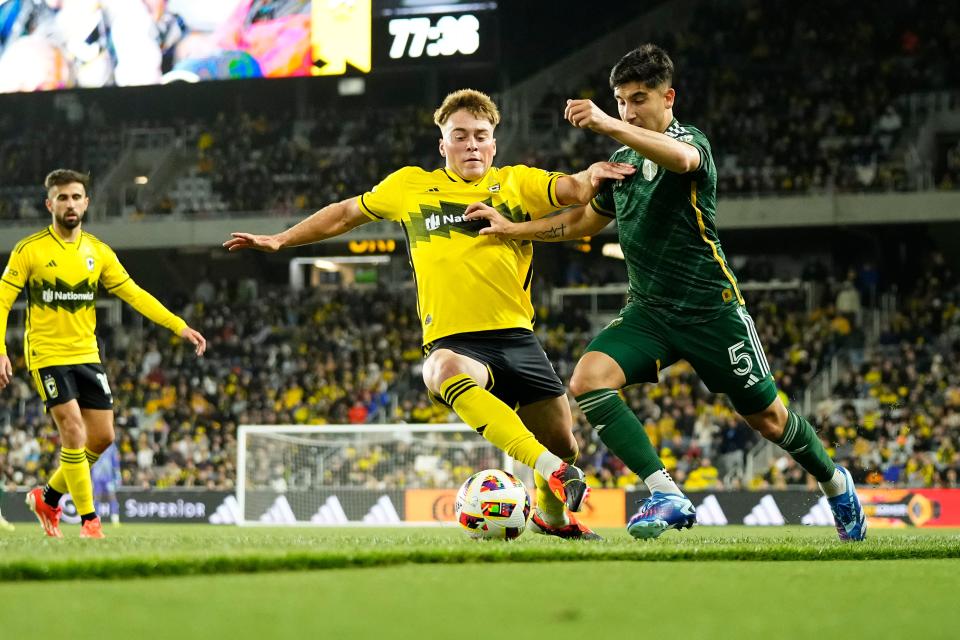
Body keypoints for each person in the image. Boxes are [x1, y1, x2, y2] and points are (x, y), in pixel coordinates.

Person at [463, 45, 867, 542]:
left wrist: (609, 124)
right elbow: (581, 221)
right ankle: (666, 493)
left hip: (710, 310)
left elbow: (681, 159)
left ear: (667, 97)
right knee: (589, 379)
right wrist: (511, 230)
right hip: (649, 313)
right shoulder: (623, 160)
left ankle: (835, 483)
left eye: (639, 100)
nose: (629, 111)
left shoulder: (689, 142)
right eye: (620, 101)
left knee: (767, 418)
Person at [225, 89, 635, 539]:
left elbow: (575, 188)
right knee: (442, 368)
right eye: (460, 136)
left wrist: (593, 173)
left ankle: (551, 516)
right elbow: (344, 214)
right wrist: (283, 239)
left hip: (517, 337)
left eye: (481, 136)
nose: (472, 144)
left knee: (564, 441)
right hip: (457, 341)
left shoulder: (518, 184)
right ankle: (550, 469)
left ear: (494, 142)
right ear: (443, 145)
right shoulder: (411, 186)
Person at [0, 168, 206, 539]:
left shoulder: (98, 252)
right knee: (74, 430)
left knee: (103, 437)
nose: (70, 203)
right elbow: (2, 300)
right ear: (50, 204)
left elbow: (135, 295)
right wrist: (0, 349)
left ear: (86, 202)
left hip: (86, 353)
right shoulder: (29, 250)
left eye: (76, 196)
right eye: (62, 197)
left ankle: (47, 497)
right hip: (47, 355)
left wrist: (179, 325)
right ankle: (90, 522)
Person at [92, 441, 121, 525]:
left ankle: (115, 519)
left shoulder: (112, 446)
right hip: (97, 476)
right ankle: (96, 519)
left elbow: (115, 461)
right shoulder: (94, 444)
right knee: (97, 497)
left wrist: (117, 475)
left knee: (112, 496)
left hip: (109, 477)